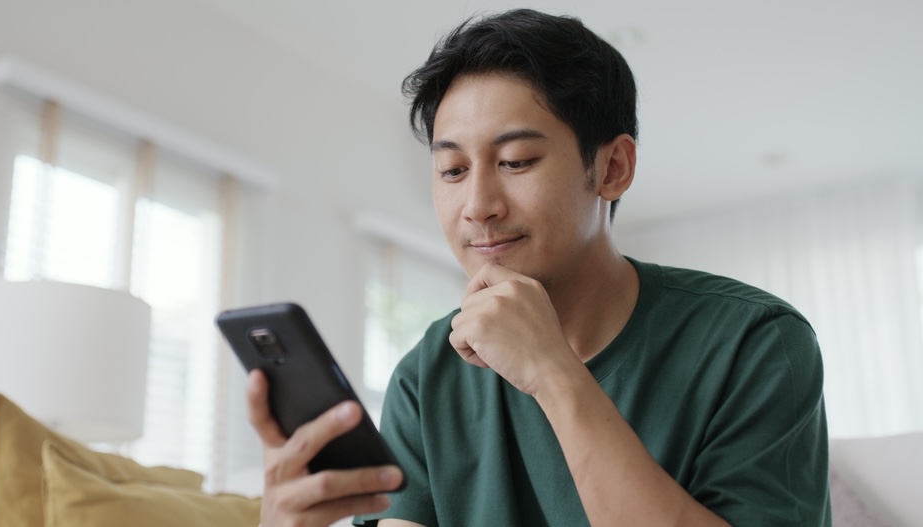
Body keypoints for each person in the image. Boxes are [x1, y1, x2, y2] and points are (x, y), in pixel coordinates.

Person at [247, 8, 831, 527]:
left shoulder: (755, 342)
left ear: (613, 168)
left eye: (515, 160)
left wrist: (554, 374)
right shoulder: (428, 373)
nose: (477, 206)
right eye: (452, 171)